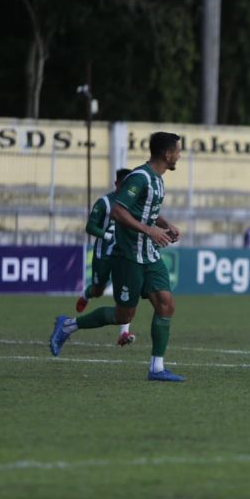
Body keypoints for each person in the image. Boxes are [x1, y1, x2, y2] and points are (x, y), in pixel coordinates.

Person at [50, 132, 185, 382]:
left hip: (150, 255)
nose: (179, 155)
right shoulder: (140, 177)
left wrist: (167, 225)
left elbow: (146, 212)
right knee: (125, 316)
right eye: (177, 151)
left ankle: (157, 368)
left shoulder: (158, 180)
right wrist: (150, 230)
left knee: (166, 304)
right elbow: (118, 211)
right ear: (167, 154)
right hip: (128, 256)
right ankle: (68, 325)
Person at [75, 168, 136, 347]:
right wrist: (106, 236)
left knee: (125, 294)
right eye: (123, 185)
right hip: (104, 255)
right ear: (116, 184)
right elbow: (90, 227)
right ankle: (86, 294)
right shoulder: (104, 203)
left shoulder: (134, 203)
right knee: (98, 290)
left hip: (124, 255)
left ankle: (124, 333)